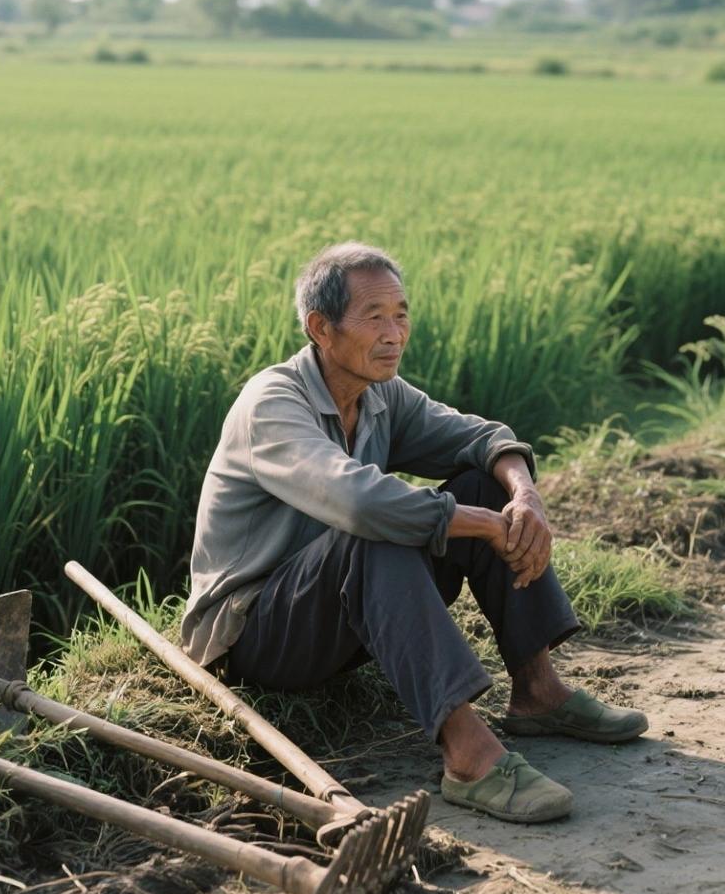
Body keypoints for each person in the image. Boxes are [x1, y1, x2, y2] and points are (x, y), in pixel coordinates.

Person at [182, 242, 648, 823]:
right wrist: (484, 525)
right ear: (320, 328)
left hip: (340, 610)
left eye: (401, 313)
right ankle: (468, 756)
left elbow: (481, 437)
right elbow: (355, 499)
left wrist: (523, 497)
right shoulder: (273, 402)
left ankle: (539, 694)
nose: (394, 332)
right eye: (374, 316)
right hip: (256, 633)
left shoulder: (379, 394)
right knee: (374, 530)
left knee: (482, 483)